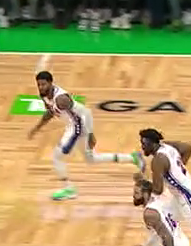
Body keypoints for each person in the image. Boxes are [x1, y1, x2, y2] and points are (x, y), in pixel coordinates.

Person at [27, 70, 140, 201]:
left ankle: (69, 189)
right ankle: (132, 158)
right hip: (72, 126)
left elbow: (83, 114)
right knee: (91, 159)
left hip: (78, 125)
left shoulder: (61, 99)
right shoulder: (44, 95)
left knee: (57, 156)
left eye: (43, 84)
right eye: (39, 85)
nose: (41, 87)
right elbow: (50, 112)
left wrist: (90, 134)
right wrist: (37, 128)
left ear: (51, 83)